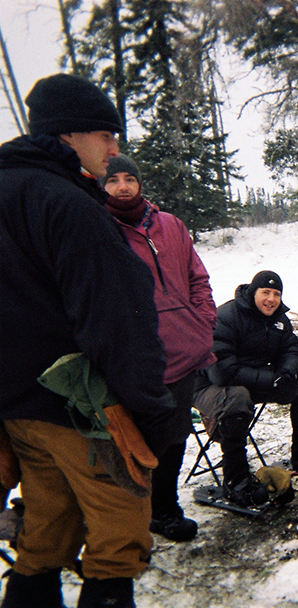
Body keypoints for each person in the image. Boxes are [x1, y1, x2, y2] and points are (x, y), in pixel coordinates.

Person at [0, 73, 177, 607]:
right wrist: (151, 412)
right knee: (115, 544)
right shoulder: (68, 205)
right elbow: (119, 323)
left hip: (18, 410)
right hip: (87, 414)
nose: (115, 149)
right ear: (69, 134)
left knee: (43, 538)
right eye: (107, 134)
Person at [101, 155, 216, 542]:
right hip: (137, 360)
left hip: (183, 351)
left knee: (176, 436)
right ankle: (130, 518)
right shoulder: (100, 228)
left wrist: (202, 323)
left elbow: (197, 276)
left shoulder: (169, 225)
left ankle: (164, 510)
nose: (122, 187)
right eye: (113, 180)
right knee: (135, 444)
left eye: (129, 178)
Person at [194, 271, 298, 507]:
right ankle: (236, 479)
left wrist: (286, 373)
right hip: (210, 385)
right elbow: (221, 371)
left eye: (276, 294)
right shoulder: (227, 316)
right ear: (253, 292)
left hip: (253, 381)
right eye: (266, 293)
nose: (271, 299)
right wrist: (269, 379)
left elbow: (291, 349)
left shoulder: (279, 319)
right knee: (237, 397)